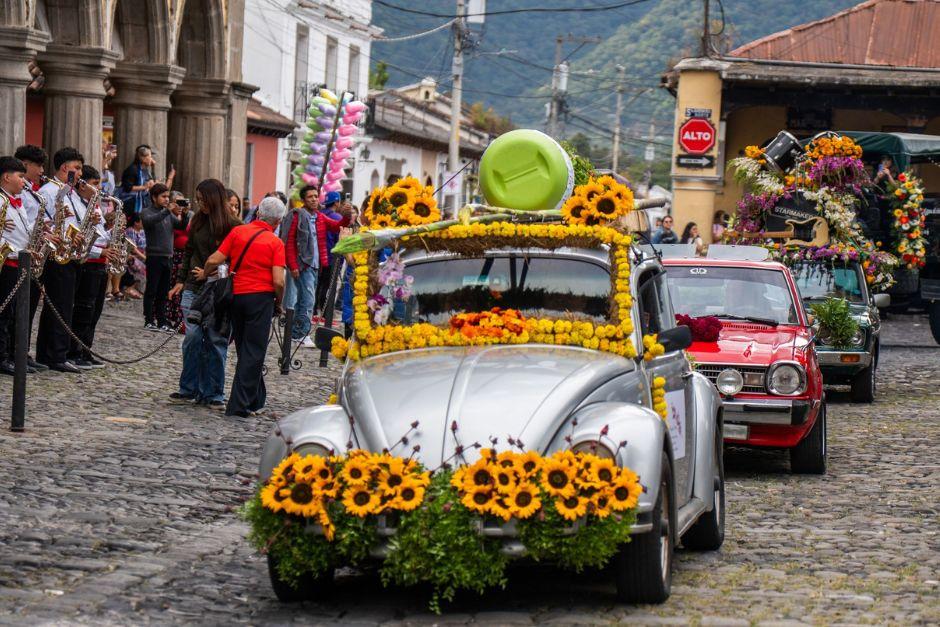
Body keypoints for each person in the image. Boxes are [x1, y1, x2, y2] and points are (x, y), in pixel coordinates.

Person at [203, 196, 287, 417]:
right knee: (254, 351)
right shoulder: (275, 243)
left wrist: (203, 274)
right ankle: (238, 405)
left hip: (236, 297)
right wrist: (279, 301)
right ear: (277, 222)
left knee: (244, 348)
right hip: (260, 298)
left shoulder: (238, 232)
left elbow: (214, 259)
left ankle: (255, 399)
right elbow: (278, 281)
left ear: (258, 213)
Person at [168, 178, 240, 409]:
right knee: (192, 339)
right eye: (197, 200)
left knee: (215, 342)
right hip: (193, 289)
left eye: (203, 200)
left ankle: (213, 393)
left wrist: (212, 273)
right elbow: (189, 252)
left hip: (219, 291)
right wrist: (181, 280)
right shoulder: (197, 220)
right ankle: (188, 387)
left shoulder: (233, 225)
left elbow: (235, 260)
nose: (200, 204)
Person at [36, 147, 86, 373]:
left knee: (65, 306)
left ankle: (57, 352)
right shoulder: (49, 191)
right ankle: (53, 354)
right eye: (77, 168)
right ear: (65, 167)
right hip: (57, 253)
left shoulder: (72, 193)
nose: (80, 173)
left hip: (71, 252)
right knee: (58, 305)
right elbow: (45, 220)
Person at [67, 165, 110, 369]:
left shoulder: (95, 205)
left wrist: (113, 230)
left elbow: (101, 234)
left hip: (101, 262)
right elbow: (80, 235)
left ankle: (86, 349)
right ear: (83, 185)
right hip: (88, 261)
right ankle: (74, 351)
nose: (98, 189)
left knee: (94, 310)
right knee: (83, 309)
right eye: (94, 184)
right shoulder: (75, 202)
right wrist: (100, 251)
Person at [12, 144, 49, 371]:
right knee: (16, 309)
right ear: (25, 165)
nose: (42, 170)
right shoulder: (19, 192)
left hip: (32, 253)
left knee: (29, 307)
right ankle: (13, 353)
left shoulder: (33, 191)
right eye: (39, 165)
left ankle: (22, 351)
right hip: (18, 254)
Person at [0, 157, 38, 374]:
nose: (24, 181)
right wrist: (18, 252)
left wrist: (42, 230)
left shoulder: (16, 201)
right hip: (7, 263)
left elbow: (23, 230)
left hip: (18, 262)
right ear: (6, 177)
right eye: (20, 176)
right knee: (4, 313)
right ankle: (2, 357)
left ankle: (9, 355)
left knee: (13, 313)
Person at [142, 183, 188, 332]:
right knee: (151, 290)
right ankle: (149, 319)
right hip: (154, 257)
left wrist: (185, 213)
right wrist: (167, 211)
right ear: (154, 197)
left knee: (163, 291)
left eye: (168, 196)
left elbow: (180, 226)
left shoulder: (167, 214)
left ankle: (162, 320)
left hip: (168, 257)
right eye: (163, 196)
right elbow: (150, 221)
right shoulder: (147, 212)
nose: (167, 199)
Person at [279, 186, 317, 346]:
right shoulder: (297, 216)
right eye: (310, 197)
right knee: (306, 300)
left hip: (314, 265)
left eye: (316, 196)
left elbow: (335, 226)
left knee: (306, 299)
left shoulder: (317, 217)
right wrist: (293, 265)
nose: (314, 199)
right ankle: (299, 334)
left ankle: (297, 332)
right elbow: (288, 242)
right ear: (303, 200)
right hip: (302, 265)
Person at [311, 190, 351, 321]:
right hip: (332, 256)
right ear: (336, 202)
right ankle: (325, 313)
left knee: (317, 284)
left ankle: (313, 311)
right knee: (329, 286)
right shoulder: (337, 218)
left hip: (318, 256)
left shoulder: (319, 215)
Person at [166, 191, 190, 331]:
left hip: (184, 255)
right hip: (174, 254)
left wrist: (186, 213)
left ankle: (180, 319)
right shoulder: (168, 216)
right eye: (178, 203)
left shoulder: (185, 216)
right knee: (173, 285)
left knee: (181, 288)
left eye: (183, 203)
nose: (180, 206)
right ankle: (168, 316)